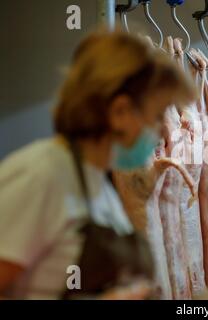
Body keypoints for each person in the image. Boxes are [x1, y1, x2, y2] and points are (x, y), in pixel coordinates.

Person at [0, 31, 196, 299]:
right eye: (157, 115)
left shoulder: (101, 186)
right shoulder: (39, 175)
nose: (164, 131)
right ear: (120, 112)